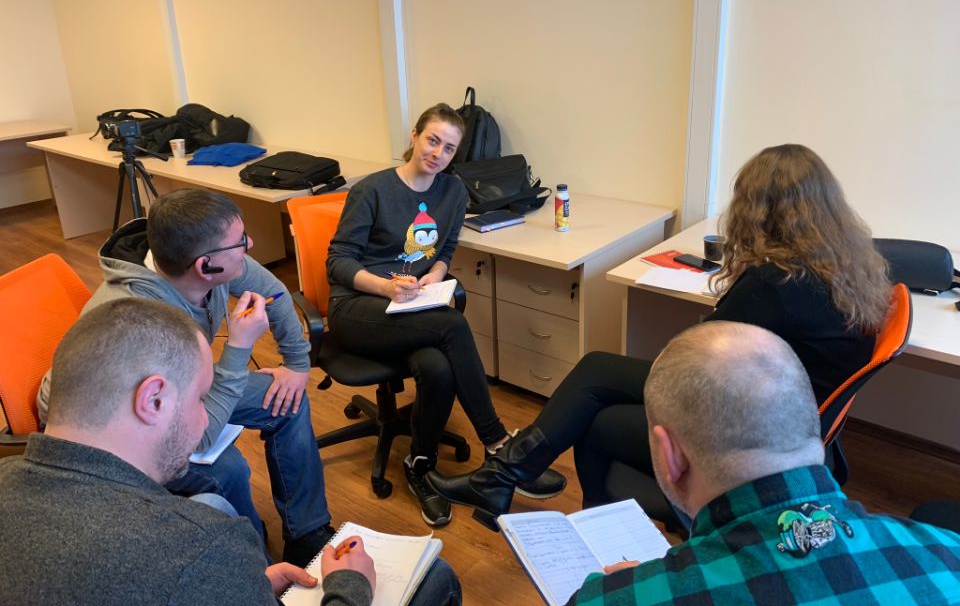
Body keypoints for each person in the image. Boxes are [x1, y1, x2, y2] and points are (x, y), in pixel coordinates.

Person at [428, 143, 892, 526]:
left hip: (749, 425)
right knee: (596, 369)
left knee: (595, 416)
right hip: (779, 408)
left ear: (758, 212)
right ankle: (502, 477)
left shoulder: (776, 283)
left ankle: (531, 494)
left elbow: (697, 360)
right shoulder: (840, 264)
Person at [1, 299, 462, 606]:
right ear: (153, 400)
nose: (207, 419)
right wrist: (349, 587)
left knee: (213, 500)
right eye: (202, 398)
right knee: (435, 577)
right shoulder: (204, 547)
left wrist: (240, 586)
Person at [37, 188, 333, 566]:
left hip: (174, 390)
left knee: (286, 397)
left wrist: (296, 364)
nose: (250, 245)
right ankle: (254, 567)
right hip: (108, 431)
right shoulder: (145, 326)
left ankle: (306, 533)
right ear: (205, 266)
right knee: (227, 470)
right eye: (240, 241)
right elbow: (199, 437)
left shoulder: (196, 261)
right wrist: (239, 347)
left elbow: (272, 291)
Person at [567, 321, 960, 604]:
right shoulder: (949, 552)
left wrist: (639, 589)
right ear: (807, 420)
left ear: (671, 455)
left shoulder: (605, 599)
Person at [326, 102, 564, 526]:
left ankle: (420, 466)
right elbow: (338, 261)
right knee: (453, 325)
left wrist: (435, 276)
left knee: (437, 368)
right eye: (432, 140)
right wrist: (386, 287)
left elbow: (445, 248)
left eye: (449, 148)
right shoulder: (373, 190)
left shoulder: (452, 191)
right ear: (415, 136)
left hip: (412, 305)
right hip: (359, 307)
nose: (438, 153)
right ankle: (499, 446)